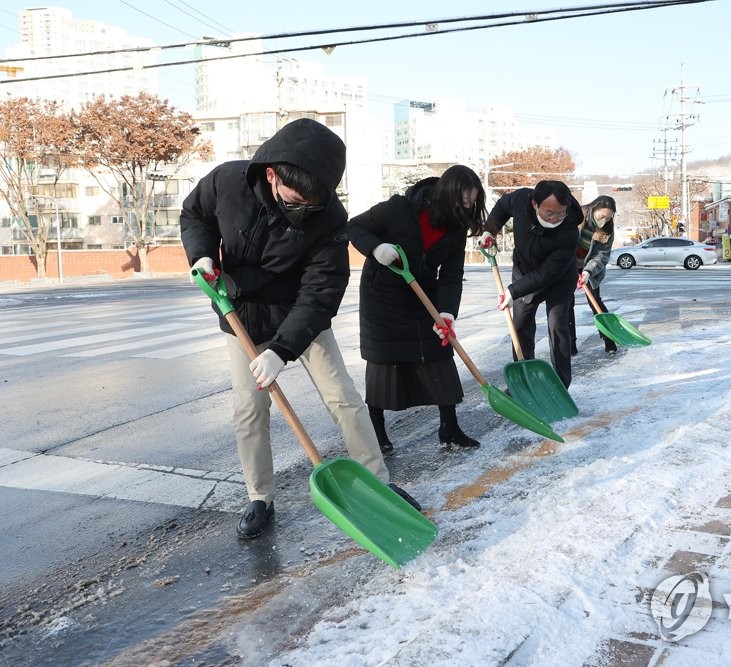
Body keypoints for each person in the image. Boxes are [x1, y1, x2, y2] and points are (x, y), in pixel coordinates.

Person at [179, 118, 419, 539]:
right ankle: (260, 497)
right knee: (249, 408)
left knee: (342, 397)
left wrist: (283, 349)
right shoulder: (226, 183)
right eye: (296, 199)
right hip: (241, 314)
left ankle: (378, 482)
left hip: (299, 315)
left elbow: (322, 289)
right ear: (271, 174)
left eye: (314, 201)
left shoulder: (329, 216)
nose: (305, 207)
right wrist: (200, 255)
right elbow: (194, 214)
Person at [348, 165, 486, 453]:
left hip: (423, 293)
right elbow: (355, 226)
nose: (467, 209)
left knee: (439, 354)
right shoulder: (399, 208)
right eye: (463, 202)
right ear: (446, 195)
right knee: (384, 361)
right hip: (382, 296)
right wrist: (376, 248)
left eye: (471, 203)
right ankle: (377, 432)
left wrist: (447, 313)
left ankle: (449, 427)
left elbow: (450, 275)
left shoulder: (456, 229)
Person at [480, 180, 581, 388]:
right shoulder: (520, 199)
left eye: (561, 213)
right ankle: (524, 382)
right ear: (535, 204)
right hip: (524, 272)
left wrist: (512, 291)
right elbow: (501, 206)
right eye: (550, 213)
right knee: (520, 326)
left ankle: (561, 385)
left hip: (559, 280)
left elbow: (548, 273)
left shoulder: (570, 231)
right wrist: (489, 230)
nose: (556, 219)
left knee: (558, 326)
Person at [569, 195, 618, 355]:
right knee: (566, 304)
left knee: (595, 301)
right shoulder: (576, 216)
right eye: (601, 216)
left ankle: (609, 339)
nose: (604, 220)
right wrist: (570, 265)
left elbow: (602, 255)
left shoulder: (607, 230)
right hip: (567, 264)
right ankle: (570, 345)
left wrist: (587, 271)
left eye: (609, 218)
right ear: (593, 209)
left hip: (589, 268)